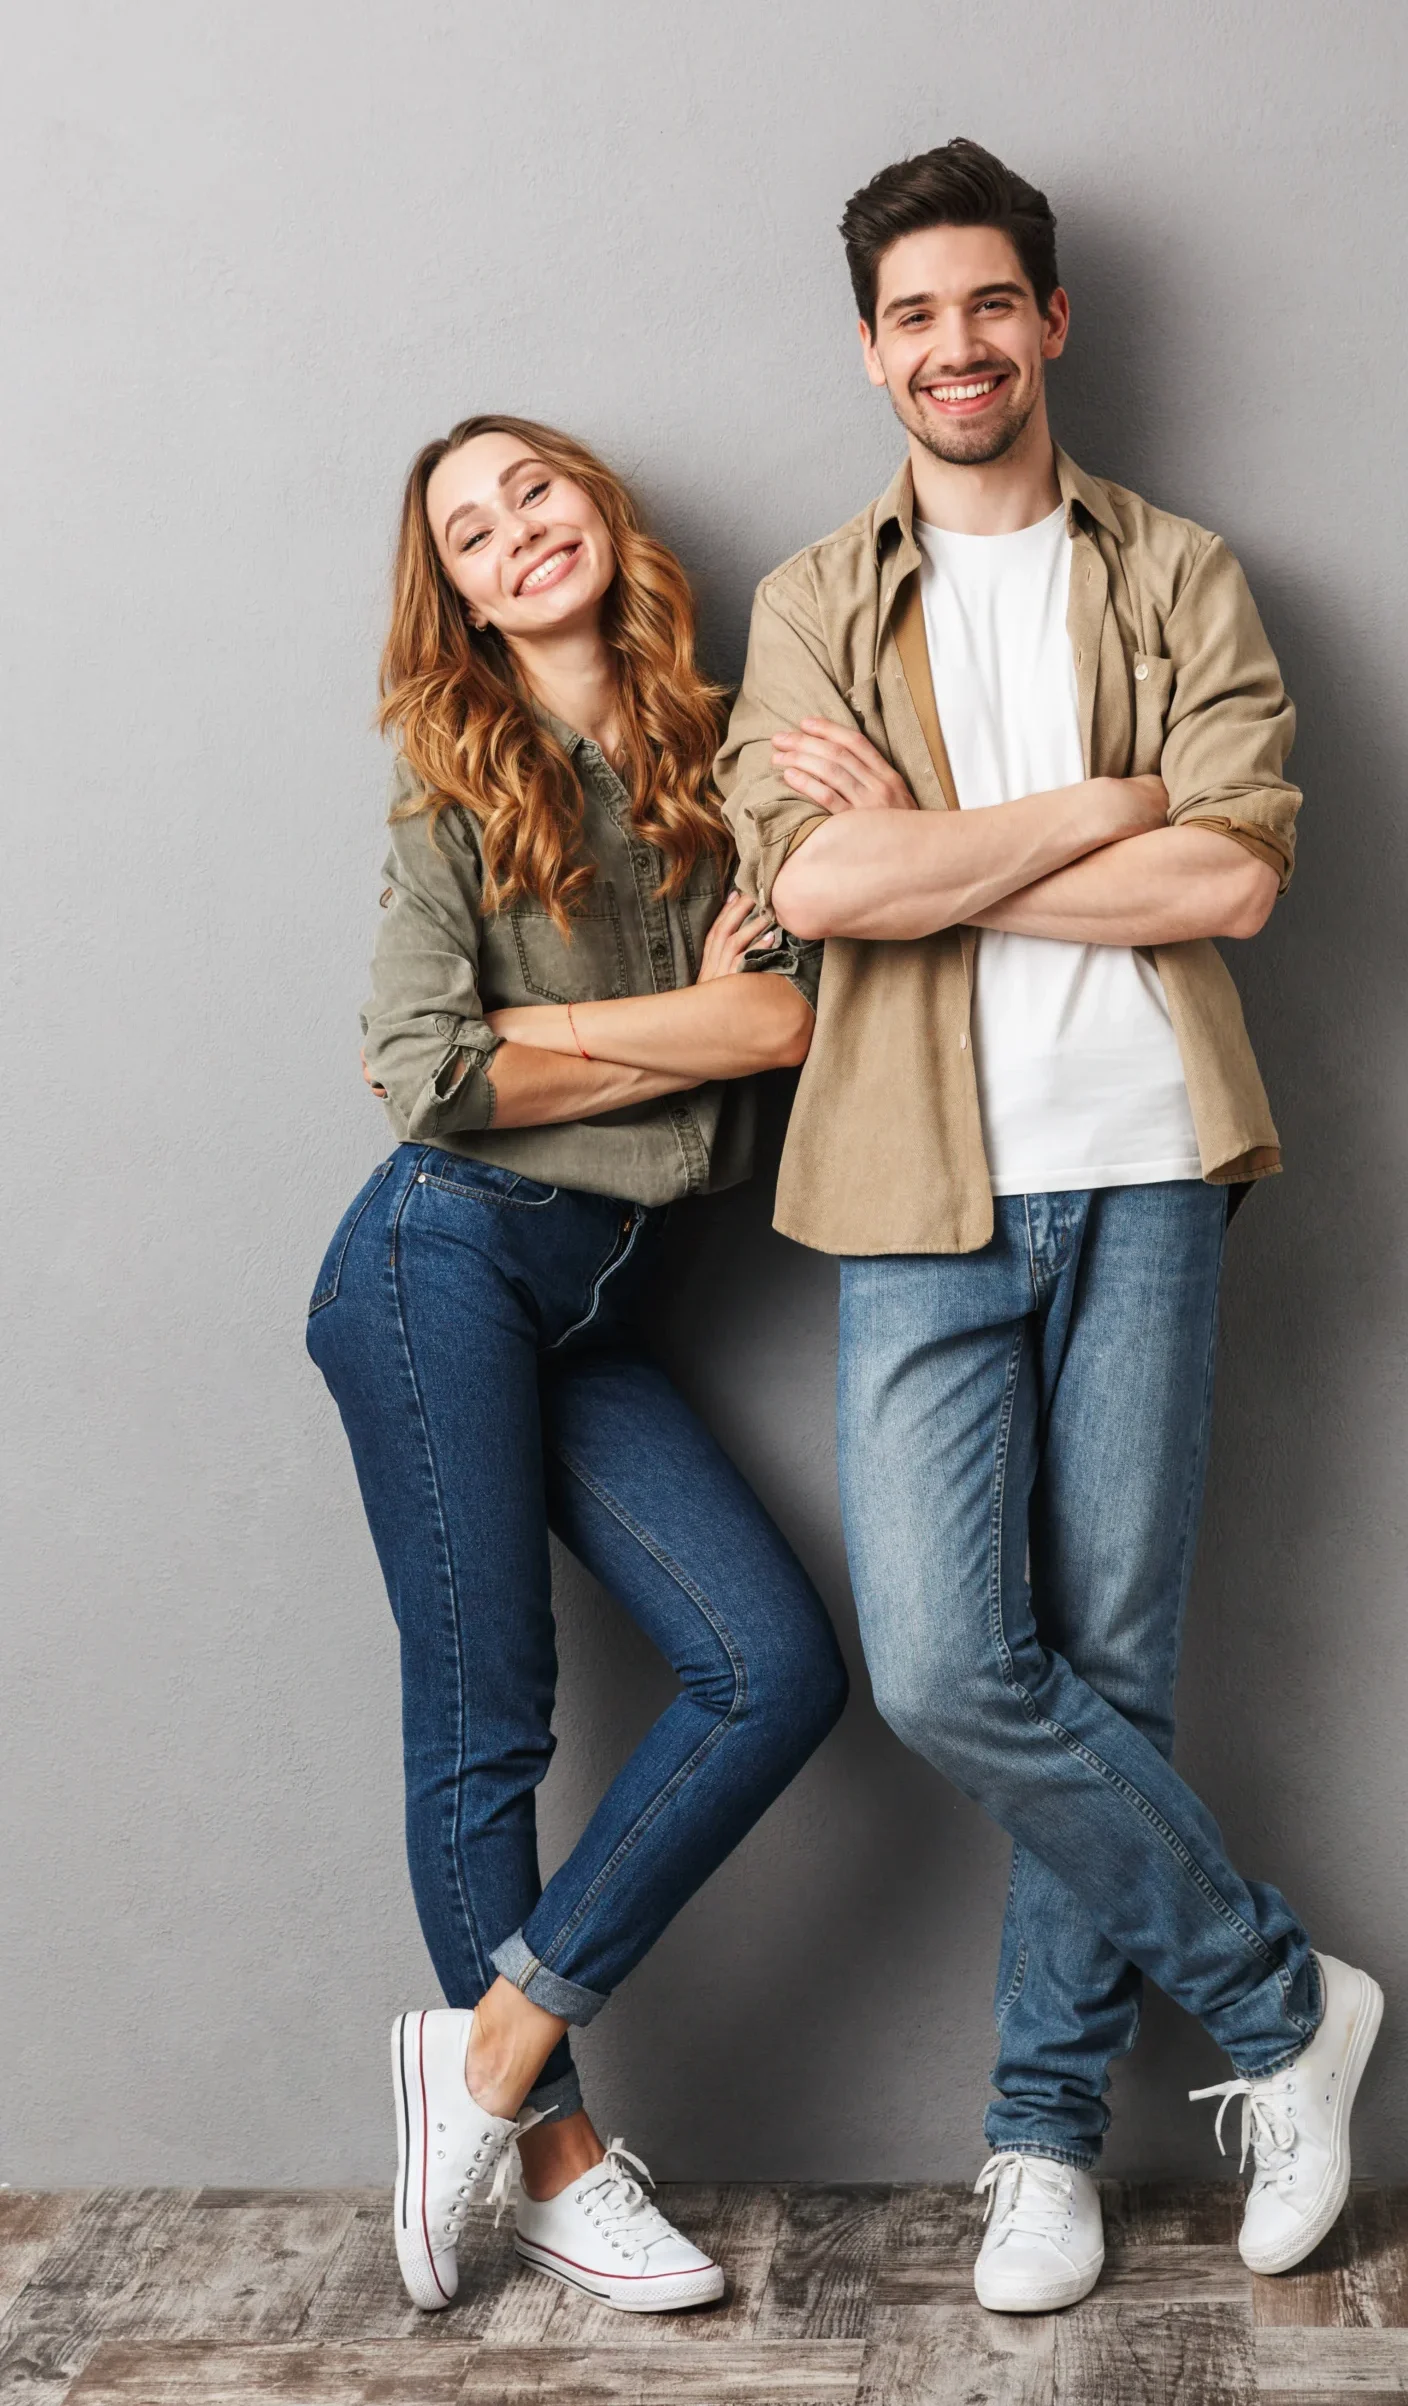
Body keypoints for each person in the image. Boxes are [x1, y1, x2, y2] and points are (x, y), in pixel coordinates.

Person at [717, 141, 1382, 2310]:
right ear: (871, 348)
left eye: (987, 303)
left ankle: (1038, 2141)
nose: (955, 344)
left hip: (1148, 1159)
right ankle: (1291, 2012)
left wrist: (953, 849)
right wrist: (1097, 807)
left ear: (1050, 321)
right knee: (943, 1663)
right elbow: (812, 894)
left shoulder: (1182, 574)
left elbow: (1232, 882)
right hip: (916, 1178)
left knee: (1107, 1661)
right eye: (913, 314)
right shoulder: (818, 599)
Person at [307, 414, 847, 2315]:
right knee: (490, 1720)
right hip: (431, 1260)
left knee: (772, 1669)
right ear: (451, 591)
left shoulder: (733, 744)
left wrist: (636, 1028)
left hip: (597, 1307)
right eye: (470, 528)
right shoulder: (455, 780)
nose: (516, 533)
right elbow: (430, 1070)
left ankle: (476, 2059)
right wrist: (702, 1014)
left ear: (600, 510)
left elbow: (803, 1022)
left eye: (534, 490)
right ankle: (553, 2158)